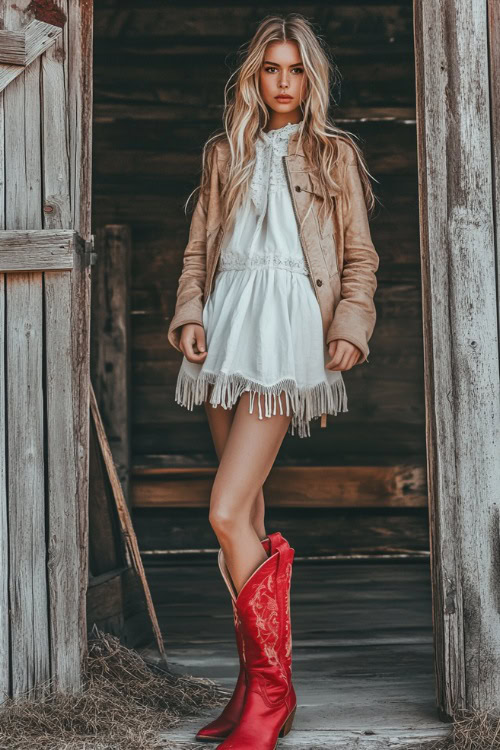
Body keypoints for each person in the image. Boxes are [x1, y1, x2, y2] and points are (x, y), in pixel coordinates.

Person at [166, 13, 379, 749]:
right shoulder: (226, 152)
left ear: (309, 79)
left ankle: (272, 692)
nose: (283, 83)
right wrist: (190, 314)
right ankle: (253, 689)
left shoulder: (333, 154)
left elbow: (360, 259)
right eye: (270, 69)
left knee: (224, 513)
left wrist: (350, 327)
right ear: (254, 77)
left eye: (295, 70)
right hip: (227, 332)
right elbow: (199, 251)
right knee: (247, 517)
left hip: (285, 336)